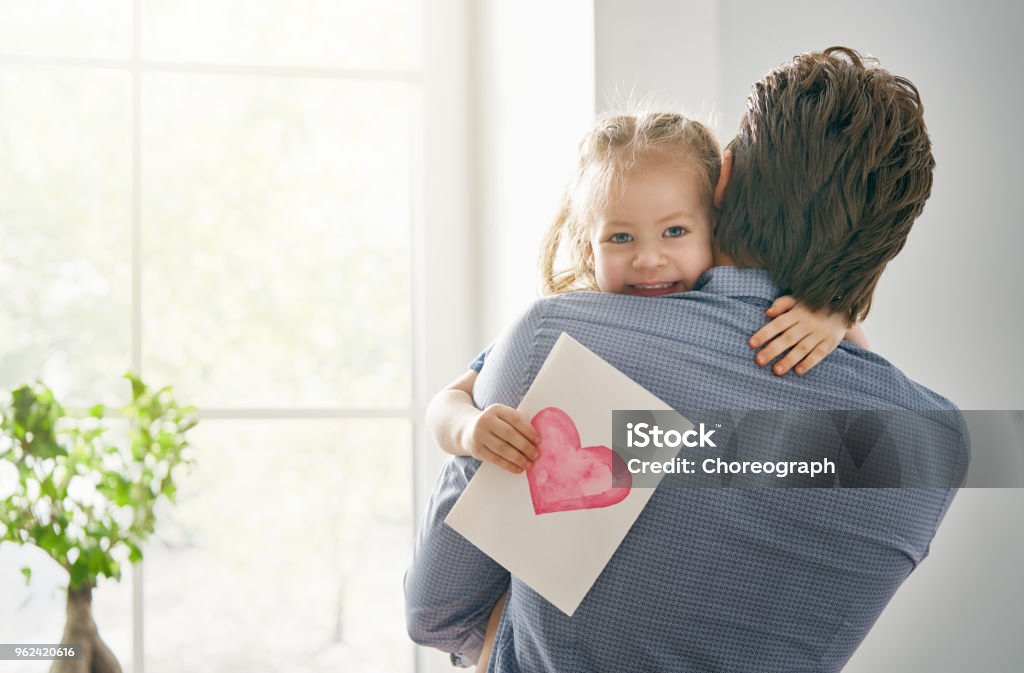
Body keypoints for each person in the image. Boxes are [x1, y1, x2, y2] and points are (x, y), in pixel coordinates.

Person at [405, 47, 969, 672]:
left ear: (721, 179)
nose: (649, 257)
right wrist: (841, 301)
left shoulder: (558, 342)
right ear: (883, 249)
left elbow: (435, 613)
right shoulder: (935, 446)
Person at [427, 111, 867, 477]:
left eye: (674, 231)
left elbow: (864, 371)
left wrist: (834, 317)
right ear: (588, 248)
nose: (649, 259)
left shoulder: (749, 312)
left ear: (716, 229)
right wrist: (468, 429)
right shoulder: (575, 321)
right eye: (621, 238)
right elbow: (446, 401)